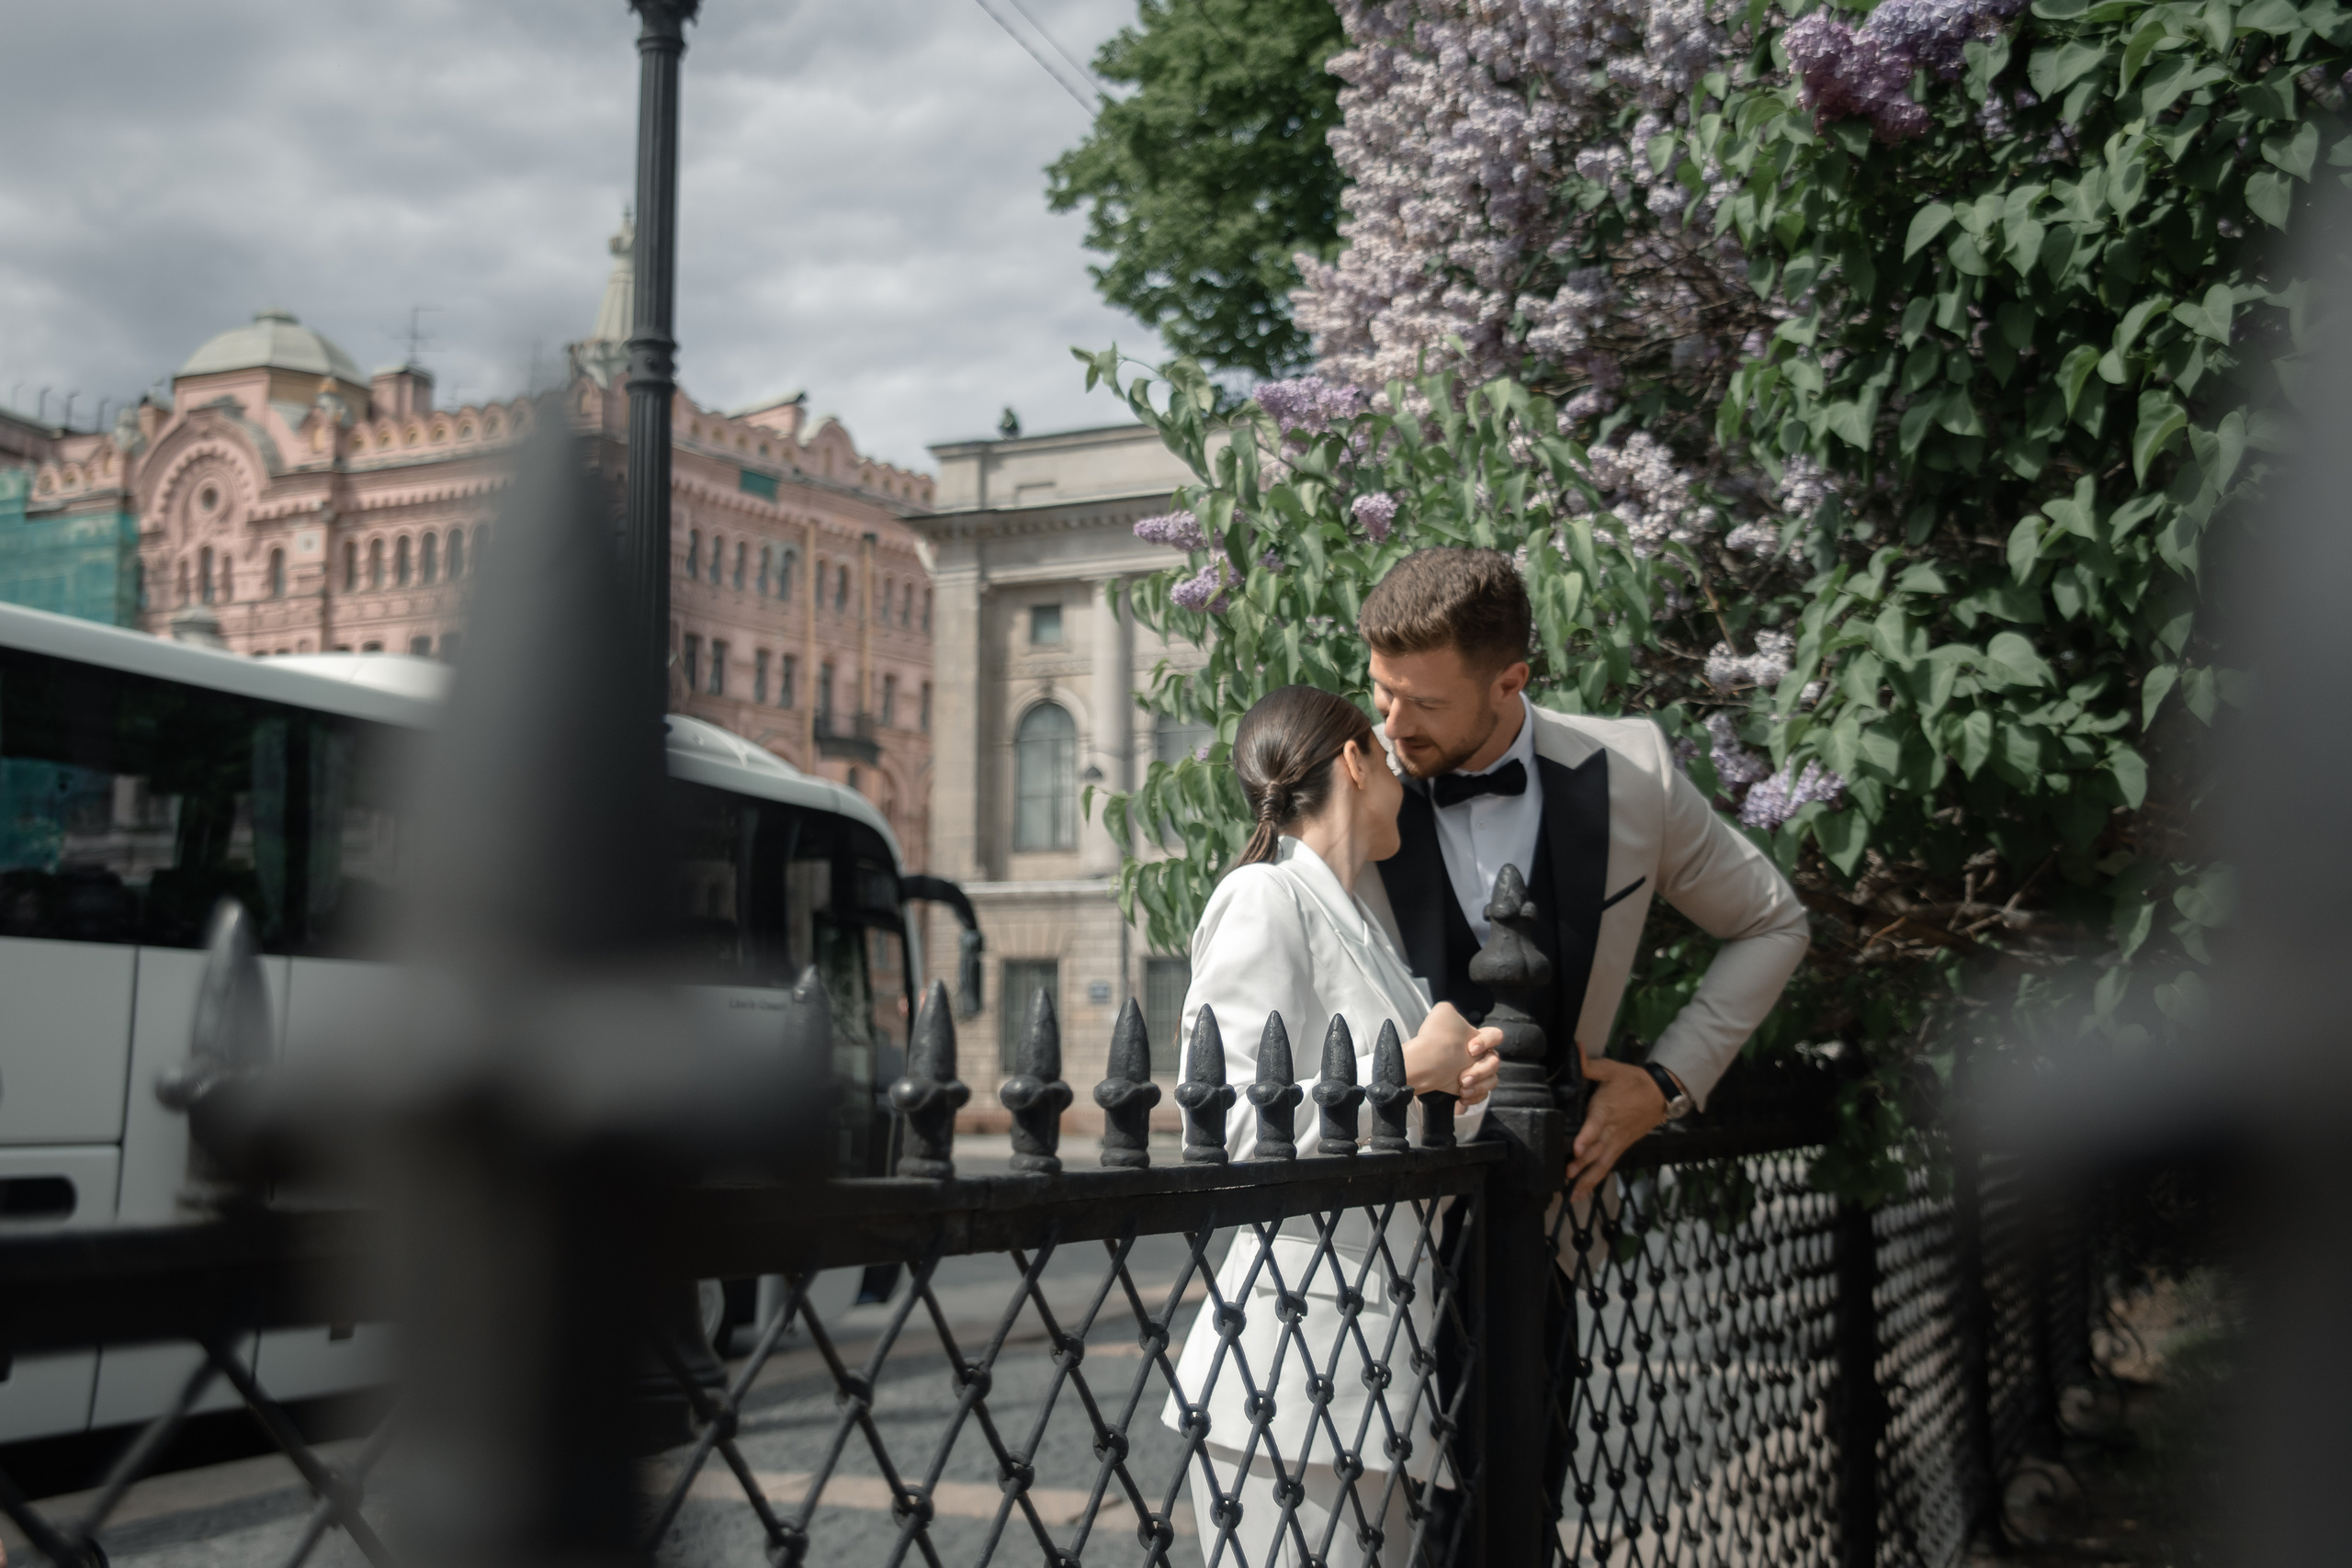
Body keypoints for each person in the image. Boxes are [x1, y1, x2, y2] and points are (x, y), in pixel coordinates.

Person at [1163, 683, 1502, 1568]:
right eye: (1385, 759)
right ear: (1354, 762)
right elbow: (1232, 1123)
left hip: (1371, 1363)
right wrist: (1407, 1075)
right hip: (1288, 1364)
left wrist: (1458, 1092)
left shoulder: (1366, 929)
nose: (1400, 778)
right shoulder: (1263, 896)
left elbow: (1396, 1142)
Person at [1353, 547, 1809, 1199]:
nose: (1393, 724)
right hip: (1382, 1227)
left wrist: (1666, 1083)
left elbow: (1772, 921)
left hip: (1559, 1216)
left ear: (1510, 682)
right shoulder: (1345, 785)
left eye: (1424, 701)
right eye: (1383, 688)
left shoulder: (1633, 774)